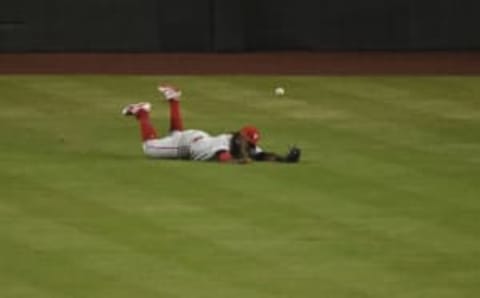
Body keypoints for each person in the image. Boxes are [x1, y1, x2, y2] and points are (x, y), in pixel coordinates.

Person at [122, 85, 301, 164]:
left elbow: (263, 156)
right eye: (249, 142)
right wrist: (240, 161)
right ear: (240, 137)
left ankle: (174, 99)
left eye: (252, 144)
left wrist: (285, 159)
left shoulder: (243, 144)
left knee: (175, 134)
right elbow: (224, 158)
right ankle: (142, 113)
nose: (251, 146)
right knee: (149, 148)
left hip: (196, 137)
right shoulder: (224, 143)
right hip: (186, 146)